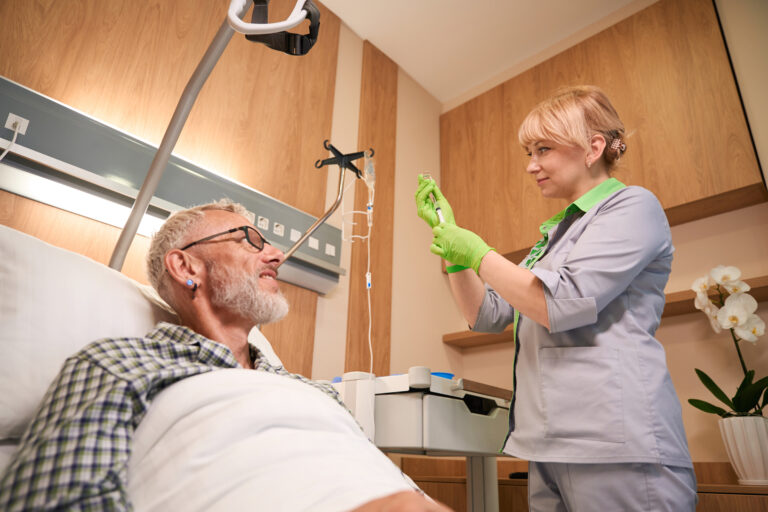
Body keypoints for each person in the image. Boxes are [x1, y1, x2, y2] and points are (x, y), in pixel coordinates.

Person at [0, 199, 451, 511]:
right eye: (248, 240)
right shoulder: (120, 365)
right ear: (186, 267)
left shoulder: (312, 392)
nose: (274, 254)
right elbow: (54, 500)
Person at [415, 86, 697, 510]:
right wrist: (451, 248)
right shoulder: (552, 238)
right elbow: (486, 314)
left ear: (593, 147)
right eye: (529, 152)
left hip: (615, 444)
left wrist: (476, 251)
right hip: (547, 444)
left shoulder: (633, 206)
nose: (531, 166)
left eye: (543, 149)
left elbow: (559, 302)